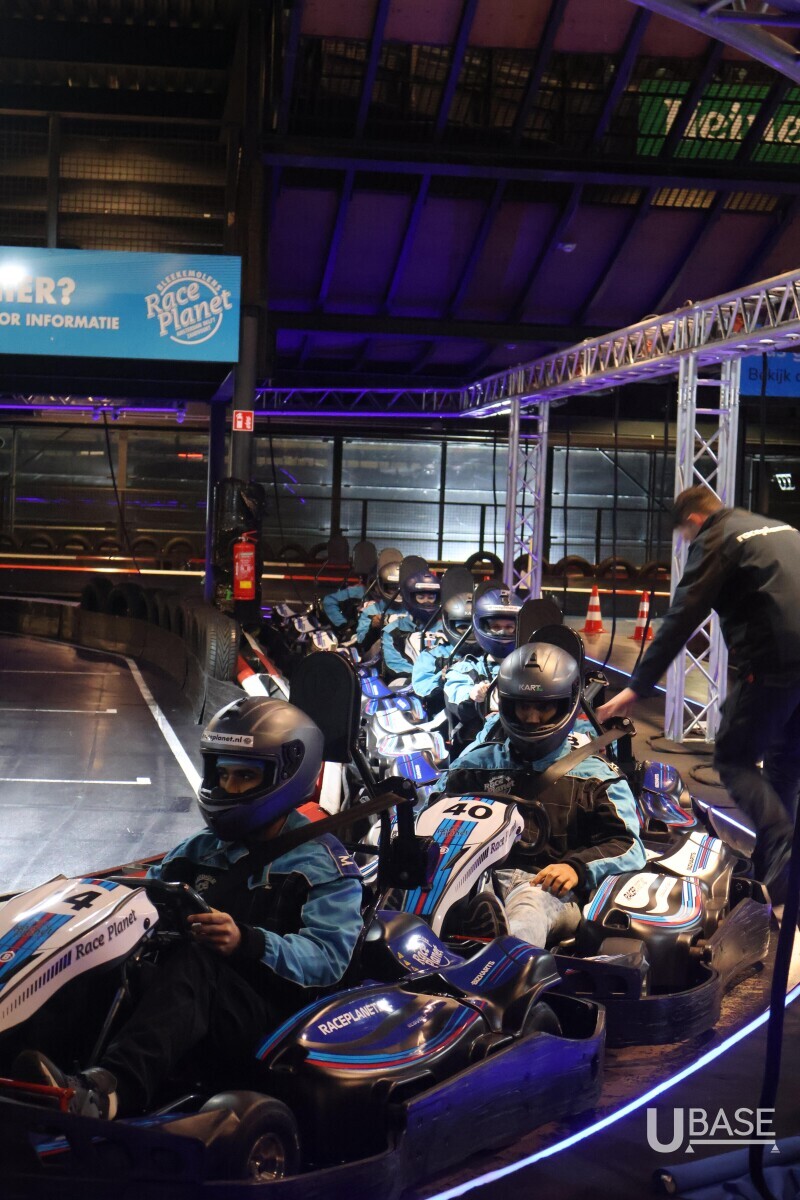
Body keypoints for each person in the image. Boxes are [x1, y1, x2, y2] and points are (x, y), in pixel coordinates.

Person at [15, 697, 364, 1119]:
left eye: (246, 776)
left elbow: (329, 959)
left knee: (198, 961)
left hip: (274, 1015)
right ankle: (32, 1065)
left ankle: (110, 1092)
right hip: (191, 997)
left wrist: (247, 941)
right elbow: (145, 892)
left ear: (286, 777)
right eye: (223, 774)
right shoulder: (201, 848)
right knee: (106, 958)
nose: (230, 788)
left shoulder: (321, 863)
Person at [596, 484, 800, 903]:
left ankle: (783, 842)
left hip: (773, 661)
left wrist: (636, 687)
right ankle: (773, 877)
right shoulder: (777, 529)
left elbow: (682, 617)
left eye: (685, 536)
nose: (687, 543)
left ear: (693, 521)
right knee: (784, 766)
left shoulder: (716, 537)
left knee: (734, 759)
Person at [433, 639, 645, 948]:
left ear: (566, 705)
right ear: (507, 705)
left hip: (547, 888)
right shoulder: (473, 765)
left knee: (529, 908)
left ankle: (506, 958)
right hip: (475, 880)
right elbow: (429, 817)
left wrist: (576, 868)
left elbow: (628, 846)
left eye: (543, 708)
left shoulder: (595, 776)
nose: (532, 719)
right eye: (523, 706)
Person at [444, 583, 524, 752]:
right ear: (483, 627)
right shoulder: (466, 668)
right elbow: (456, 695)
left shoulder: (531, 669)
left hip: (525, 745)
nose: (503, 633)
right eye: (496, 627)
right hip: (479, 748)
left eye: (509, 627)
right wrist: (473, 695)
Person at [381, 564, 444, 680]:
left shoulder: (446, 630)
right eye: (421, 597)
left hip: (441, 682)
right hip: (405, 682)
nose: (426, 601)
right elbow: (395, 664)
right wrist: (425, 678)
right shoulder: (393, 630)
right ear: (410, 598)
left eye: (431, 597)